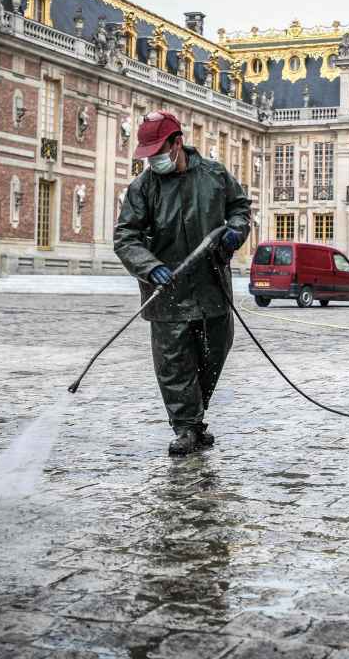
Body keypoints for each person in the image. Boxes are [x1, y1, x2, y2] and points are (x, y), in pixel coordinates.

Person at [114, 111, 251, 455]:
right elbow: (125, 237)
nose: (153, 161)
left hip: (212, 286)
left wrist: (236, 230)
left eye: (158, 151)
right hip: (167, 292)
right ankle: (186, 427)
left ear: (177, 143)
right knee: (175, 362)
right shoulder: (142, 188)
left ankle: (194, 418)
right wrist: (150, 266)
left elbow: (239, 207)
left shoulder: (214, 175)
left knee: (214, 353)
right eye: (148, 154)